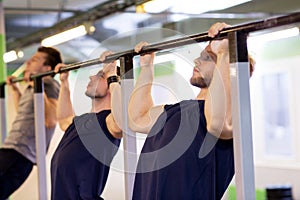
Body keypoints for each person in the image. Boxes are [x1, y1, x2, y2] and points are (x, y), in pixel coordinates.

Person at [128, 22, 255, 199]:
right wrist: (147, 68)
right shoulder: (179, 109)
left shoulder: (228, 118)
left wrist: (226, 51)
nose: (197, 60)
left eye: (207, 57)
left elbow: (217, 124)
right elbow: (137, 119)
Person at [51, 51, 122, 200]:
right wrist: (64, 83)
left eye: (100, 76)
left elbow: (120, 126)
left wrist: (112, 74)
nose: (91, 77)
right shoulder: (83, 120)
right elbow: (64, 119)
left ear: (111, 84)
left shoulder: (108, 121)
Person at [0, 46, 62, 199]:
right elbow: (24, 113)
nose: (27, 62)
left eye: (34, 60)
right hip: (11, 148)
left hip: (21, 153)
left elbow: (51, 119)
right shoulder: (33, 85)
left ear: (47, 68)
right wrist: (15, 89)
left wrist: (37, 84)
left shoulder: (48, 84)